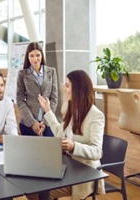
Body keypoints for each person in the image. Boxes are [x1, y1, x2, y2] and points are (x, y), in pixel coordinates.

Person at [38, 70, 105, 200]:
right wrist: (47, 110)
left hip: (83, 172)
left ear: (78, 89)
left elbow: (97, 152)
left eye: (68, 86)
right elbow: (59, 132)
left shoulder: (96, 116)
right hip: (66, 166)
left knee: (38, 192)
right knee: (33, 188)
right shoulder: (72, 109)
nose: (65, 89)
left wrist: (74, 146)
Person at [17, 42, 58, 136]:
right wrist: (33, 123)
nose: (35, 59)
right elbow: (20, 100)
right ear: (27, 57)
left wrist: (45, 121)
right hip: (28, 123)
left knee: (48, 150)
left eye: (38, 55)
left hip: (48, 123)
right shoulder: (22, 74)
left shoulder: (51, 72)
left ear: (42, 55)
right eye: (31, 55)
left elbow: (54, 99)